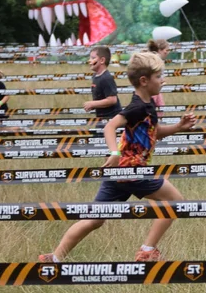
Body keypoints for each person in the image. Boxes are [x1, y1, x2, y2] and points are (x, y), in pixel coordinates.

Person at [39, 52, 197, 263]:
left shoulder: (147, 105)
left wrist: (178, 127)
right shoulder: (137, 107)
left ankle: (55, 258)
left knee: (94, 219)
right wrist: (114, 153)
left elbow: (154, 132)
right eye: (159, 77)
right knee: (175, 203)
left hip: (118, 174)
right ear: (144, 81)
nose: (163, 81)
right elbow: (110, 126)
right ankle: (147, 251)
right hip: (133, 170)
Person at [84, 46, 123, 127]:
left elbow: (112, 100)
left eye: (93, 58)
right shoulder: (95, 76)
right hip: (102, 118)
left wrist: (93, 104)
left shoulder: (106, 78)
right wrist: (94, 105)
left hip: (112, 119)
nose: (89, 61)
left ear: (102, 60)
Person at [147, 39, 170, 107]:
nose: (168, 52)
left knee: (160, 106)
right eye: (166, 50)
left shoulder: (156, 60)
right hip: (151, 89)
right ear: (159, 50)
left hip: (156, 89)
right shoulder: (155, 61)